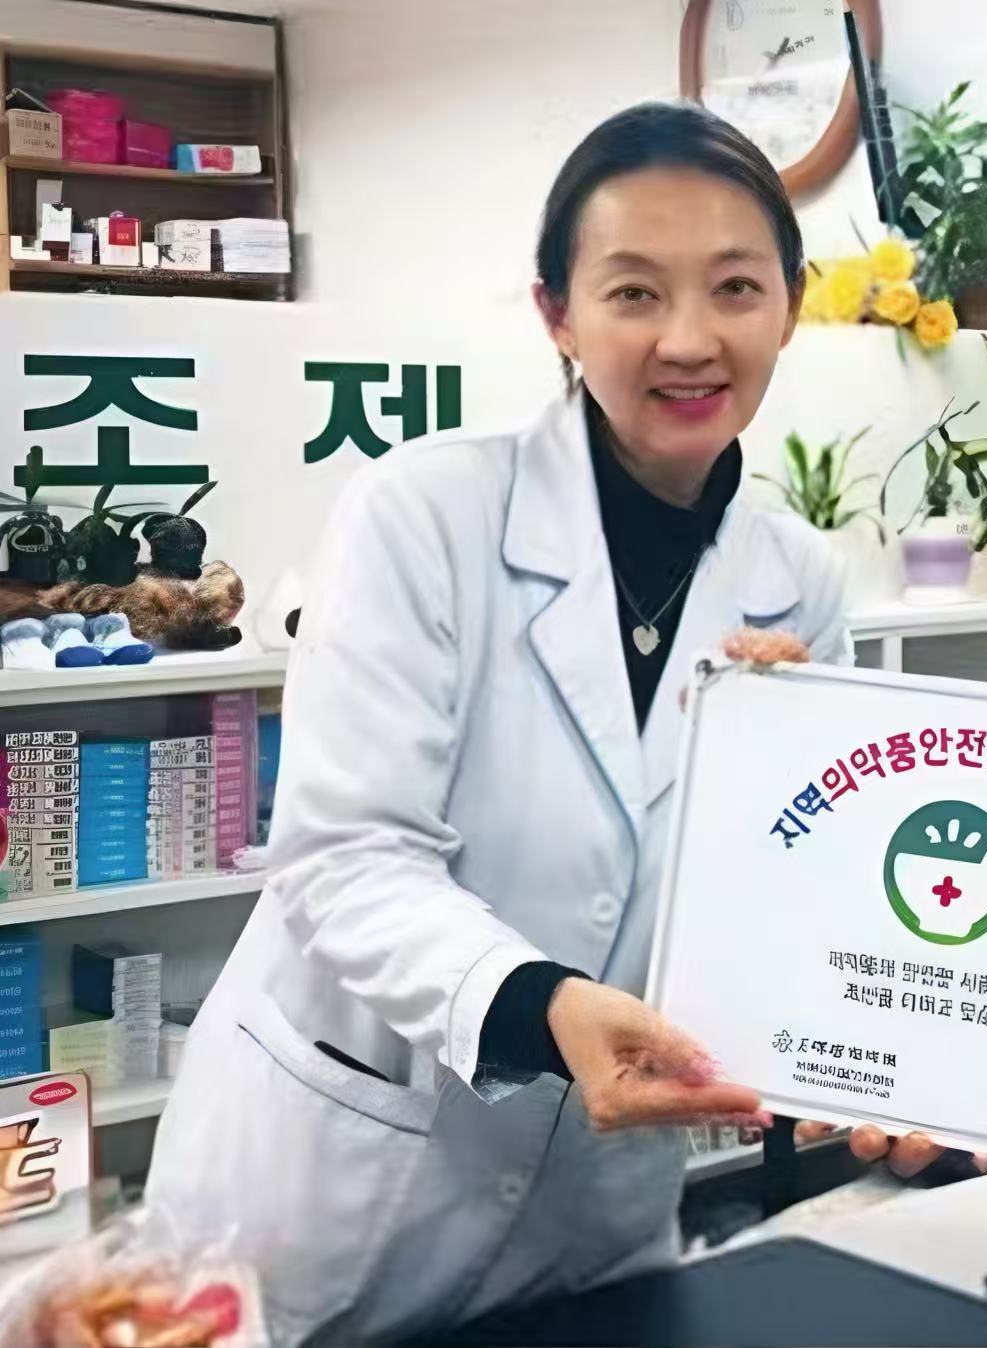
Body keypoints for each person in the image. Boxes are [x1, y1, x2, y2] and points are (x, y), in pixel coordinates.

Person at [146, 103, 854, 1345]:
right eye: (633, 293)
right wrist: (541, 1006)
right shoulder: (422, 515)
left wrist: (801, 781)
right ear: (556, 315)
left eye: (736, 287)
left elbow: (791, 894)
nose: (689, 339)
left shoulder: (799, 582)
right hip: (336, 1189)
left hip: (590, 1220)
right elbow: (346, 857)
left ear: (790, 307)